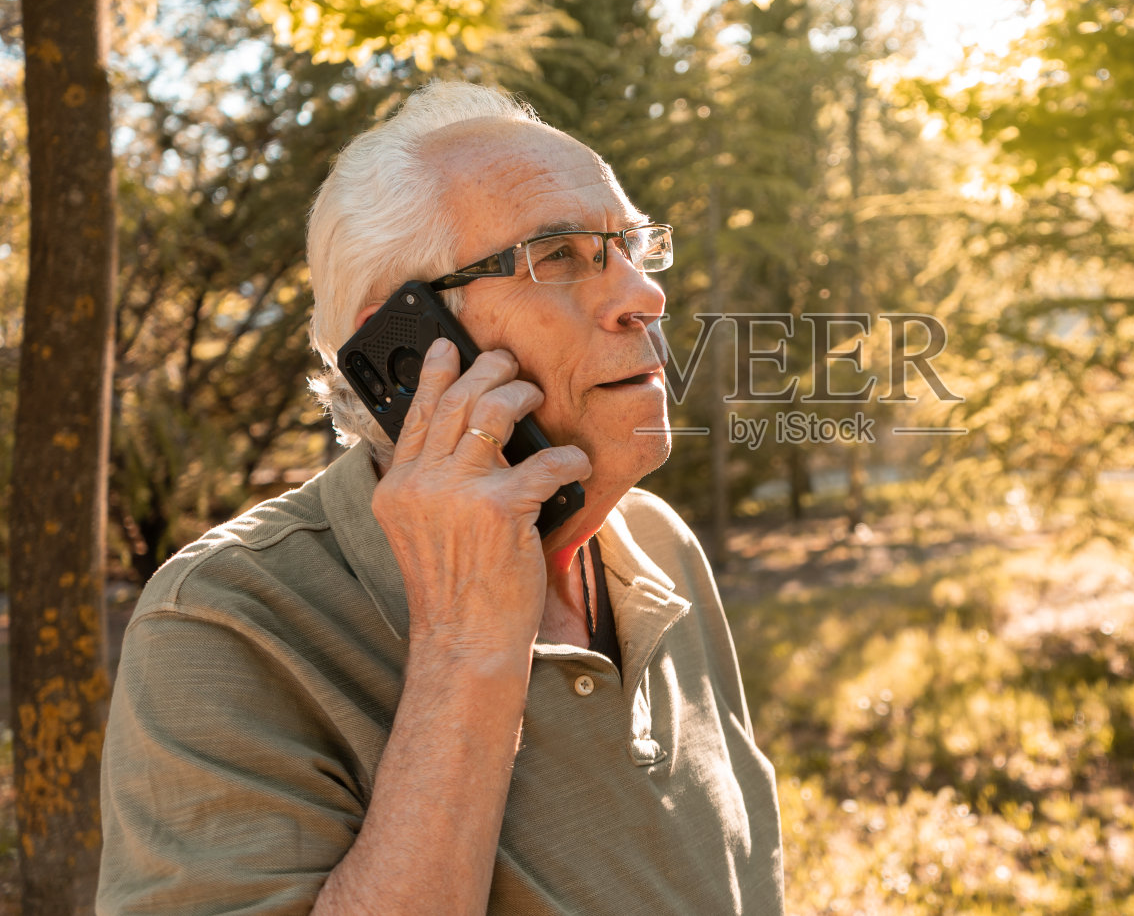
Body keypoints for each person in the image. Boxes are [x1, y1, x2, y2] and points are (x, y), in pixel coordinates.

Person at [98, 82, 785, 915]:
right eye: (558, 255)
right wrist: (465, 643)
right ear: (408, 347)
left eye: (632, 246)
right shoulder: (222, 623)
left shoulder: (655, 542)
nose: (645, 295)